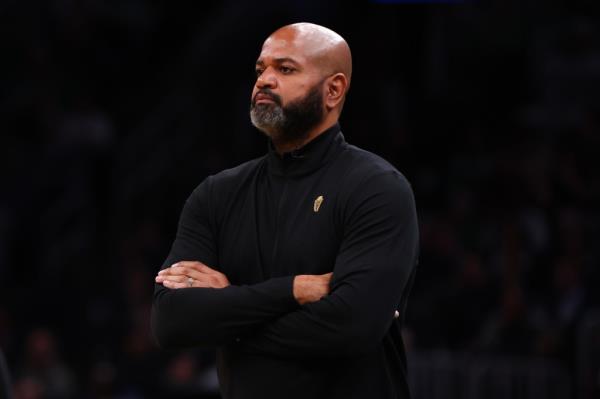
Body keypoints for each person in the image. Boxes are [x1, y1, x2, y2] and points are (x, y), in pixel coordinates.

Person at [152, 22, 419, 399]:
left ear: (333, 90)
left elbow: (352, 327)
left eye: (286, 69)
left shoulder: (378, 188)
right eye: (261, 70)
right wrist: (292, 291)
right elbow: (170, 321)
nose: (264, 80)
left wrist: (228, 308)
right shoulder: (216, 195)